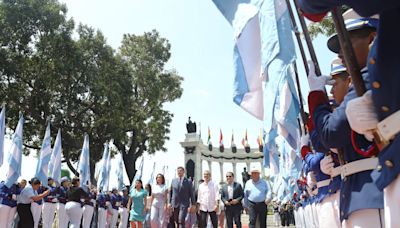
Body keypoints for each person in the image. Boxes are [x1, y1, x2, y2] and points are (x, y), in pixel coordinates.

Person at [305, 9, 384, 227]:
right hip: (358, 193)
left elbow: (330, 133)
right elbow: (322, 140)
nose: (340, 53)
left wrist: (317, 98)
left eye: (346, 42)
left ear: (372, 39)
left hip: (370, 191)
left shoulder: (369, 78)